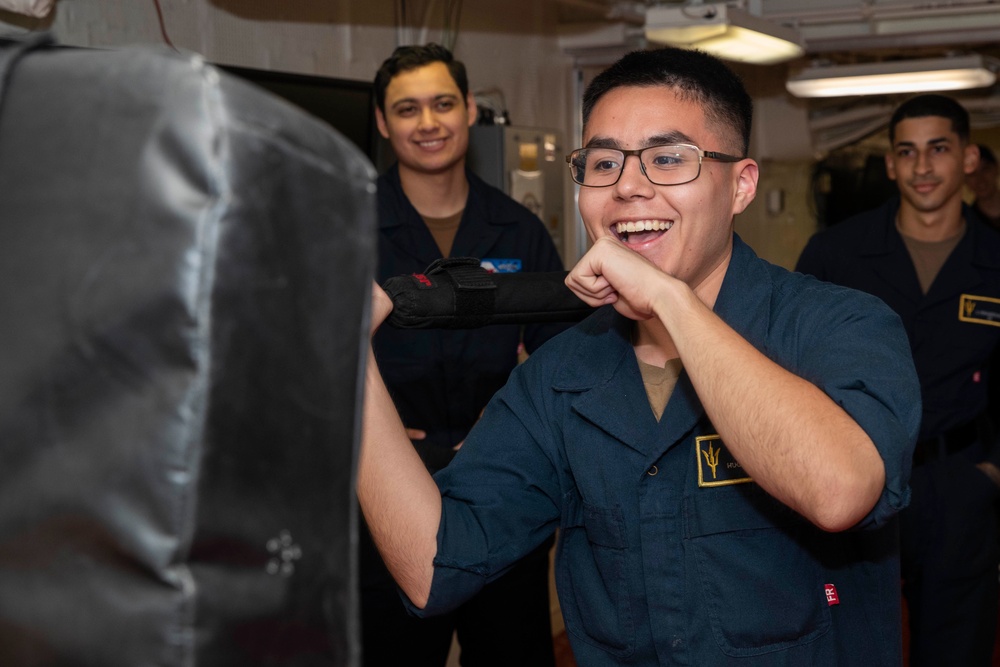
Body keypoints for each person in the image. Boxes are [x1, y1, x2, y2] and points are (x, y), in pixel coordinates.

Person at [360, 46, 921, 665]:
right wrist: (347, 359)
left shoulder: (837, 327)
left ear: (740, 186)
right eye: (603, 162)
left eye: (668, 158)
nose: (627, 186)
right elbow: (433, 566)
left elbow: (840, 491)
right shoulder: (561, 379)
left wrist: (670, 301)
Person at [362, 43, 565, 667]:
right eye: (408, 109)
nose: (428, 123)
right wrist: (380, 431)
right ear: (382, 121)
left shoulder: (517, 229)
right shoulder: (347, 226)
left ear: (470, 109)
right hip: (390, 484)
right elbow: (305, 354)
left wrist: (508, 420)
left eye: (443, 103)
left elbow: (561, 354)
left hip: (500, 486)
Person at [796, 94, 1000, 666]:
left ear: (968, 159)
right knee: (849, 645)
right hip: (855, 489)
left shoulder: (994, 259)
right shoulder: (837, 254)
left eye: (939, 148)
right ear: (890, 165)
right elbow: (789, 367)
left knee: (957, 648)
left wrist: (991, 473)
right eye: (906, 152)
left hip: (959, 489)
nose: (922, 166)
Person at [967, 143, 1000, 229]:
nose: (980, 179)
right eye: (972, 174)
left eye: (985, 169)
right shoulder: (966, 224)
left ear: (996, 168)